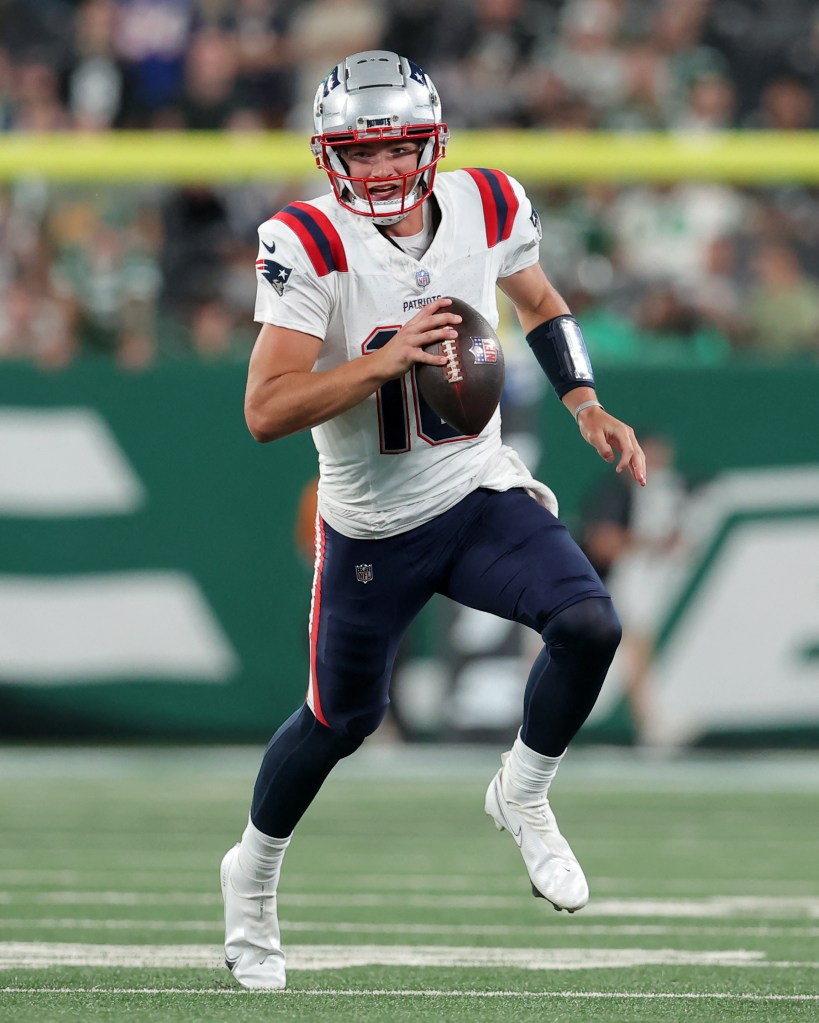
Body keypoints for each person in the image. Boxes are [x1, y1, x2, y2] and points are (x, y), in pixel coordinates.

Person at [221, 50, 646, 991]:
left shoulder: (489, 202)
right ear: (327, 156)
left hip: (475, 488)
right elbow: (264, 410)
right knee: (341, 720)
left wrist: (581, 400)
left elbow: (539, 299)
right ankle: (250, 873)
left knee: (588, 622)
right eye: (355, 153)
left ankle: (523, 794)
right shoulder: (310, 240)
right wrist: (382, 362)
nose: (375, 170)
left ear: (432, 145)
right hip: (371, 525)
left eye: (396, 149)